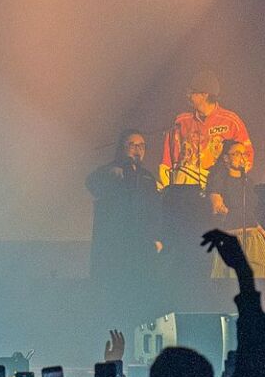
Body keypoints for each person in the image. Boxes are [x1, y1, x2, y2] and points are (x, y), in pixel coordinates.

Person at [86, 129, 162, 286]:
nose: (138, 149)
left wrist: (156, 237)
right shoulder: (110, 170)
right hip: (115, 244)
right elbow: (91, 183)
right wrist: (109, 174)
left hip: (141, 243)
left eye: (142, 145)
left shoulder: (147, 177)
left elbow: (155, 209)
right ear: (122, 147)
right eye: (132, 145)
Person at [159, 70, 253, 189]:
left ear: (204, 94)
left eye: (192, 92)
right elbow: (167, 160)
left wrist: (229, 182)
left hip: (218, 192)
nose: (187, 95)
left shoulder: (231, 122)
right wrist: (169, 189)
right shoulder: (180, 121)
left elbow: (247, 156)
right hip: (185, 193)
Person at [206, 140, 265, 277]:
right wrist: (220, 208)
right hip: (232, 238)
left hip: (253, 238)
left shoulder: (247, 182)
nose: (242, 157)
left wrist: (261, 230)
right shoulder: (219, 178)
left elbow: (250, 211)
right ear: (226, 158)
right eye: (237, 153)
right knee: (233, 281)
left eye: (244, 154)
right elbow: (215, 204)